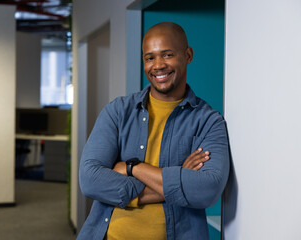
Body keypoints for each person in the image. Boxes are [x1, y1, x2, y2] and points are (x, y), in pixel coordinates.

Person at [78, 22, 230, 240]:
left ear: (188, 55)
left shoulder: (209, 121)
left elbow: (207, 190)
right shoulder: (118, 111)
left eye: (167, 55)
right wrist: (177, 177)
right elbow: (90, 179)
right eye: (150, 58)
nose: (158, 65)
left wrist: (133, 168)